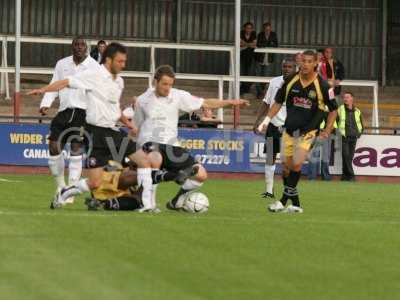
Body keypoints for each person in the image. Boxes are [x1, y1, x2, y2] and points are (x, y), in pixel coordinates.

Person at [27, 43, 159, 213]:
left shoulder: (119, 81)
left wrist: (128, 123)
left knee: (145, 161)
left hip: (113, 132)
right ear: (109, 59)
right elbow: (66, 81)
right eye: (120, 61)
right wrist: (43, 90)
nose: (123, 65)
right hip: (96, 133)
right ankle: (65, 192)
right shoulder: (93, 74)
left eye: (124, 61)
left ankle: (147, 205)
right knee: (94, 182)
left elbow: (114, 107)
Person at [134, 65, 249, 210]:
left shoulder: (178, 96)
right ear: (155, 82)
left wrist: (231, 103)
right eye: (164, 84)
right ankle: (149, 204)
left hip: (171, 145)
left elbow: (206, 103)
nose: (167, 88)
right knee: (155, 158)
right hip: (149, 144)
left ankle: (177, 200)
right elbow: (137, 126)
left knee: (201, 174)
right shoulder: (142, 100)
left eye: (170, 84)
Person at [258, 50, 338, 213]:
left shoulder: (323, 85)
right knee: (287, 168)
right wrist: (266, 121)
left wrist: (327, 130)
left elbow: (333, 110)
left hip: (308, 131)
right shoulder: (290, 80)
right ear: (300, 62)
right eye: (304, 61)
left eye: (310, 61)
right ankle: (295, 204)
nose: (306, 64)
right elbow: (278, 102)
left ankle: (281, 201)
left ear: (316, 63)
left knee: (296, 162)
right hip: (289, 130)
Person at [38, 36, 100, 204]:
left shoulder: (94, 66)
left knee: (76, 147)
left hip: (83, 112)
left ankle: (72, 189)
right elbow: (54, 84)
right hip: (64, 111)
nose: (79, 47)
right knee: (53, 146)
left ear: (86, 48)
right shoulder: (62, 64)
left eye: (82, 45)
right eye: (76, 44)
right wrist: (46, 103)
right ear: (72, 47)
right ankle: (60, 186)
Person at [253, 58, 296, 198]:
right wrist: (258, 120)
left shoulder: (299, 84)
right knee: (270, 157)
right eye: (285, 66)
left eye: (290, 66)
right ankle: (269, 190)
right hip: (273, 125)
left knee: (287, 161)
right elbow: (266, 102)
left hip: (289, 127)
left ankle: (287, 191)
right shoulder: (274, 82)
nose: (287, 69)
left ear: (295, 68)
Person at [337, 92, 363, 181]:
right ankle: (352, 176)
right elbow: (335, 120)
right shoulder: (340, 109)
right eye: (344, 97)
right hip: (345, 136)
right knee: (346, 156)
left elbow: (360, 123)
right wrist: (338, 131)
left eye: (347, 97)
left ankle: (344, 176)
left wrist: (360, 132)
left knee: (349, 157)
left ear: (352, 98)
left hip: (354, 137)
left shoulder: (357, 110)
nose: (345, 99)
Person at [255, 22, 278, 99]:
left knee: (265, 75)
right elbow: (258, 44)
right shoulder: (260, 35)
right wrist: (268, 44)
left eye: (269, 29)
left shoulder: (273, 35)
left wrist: (266, 45)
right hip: (259, 58)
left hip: (269, 58)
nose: (267, 31)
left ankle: (262, 91)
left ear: (271, 29)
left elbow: (275, 45)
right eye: (266, 29)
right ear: (263, 29)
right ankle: (259, 92)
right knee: (257, 75)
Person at [240, 22, 257, 95]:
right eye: (247, 28)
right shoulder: (241, 33)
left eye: (250, 28)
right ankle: (242, 88)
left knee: (249, 72)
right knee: (242, 72)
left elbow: (254, 44)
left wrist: (245, 44)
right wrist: (249, 44)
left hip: (251, 56)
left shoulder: (254, 34)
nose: (248, 30)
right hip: (241, 56)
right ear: (244, 28)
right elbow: (240, 43)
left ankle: (247, 88)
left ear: (252, 29)